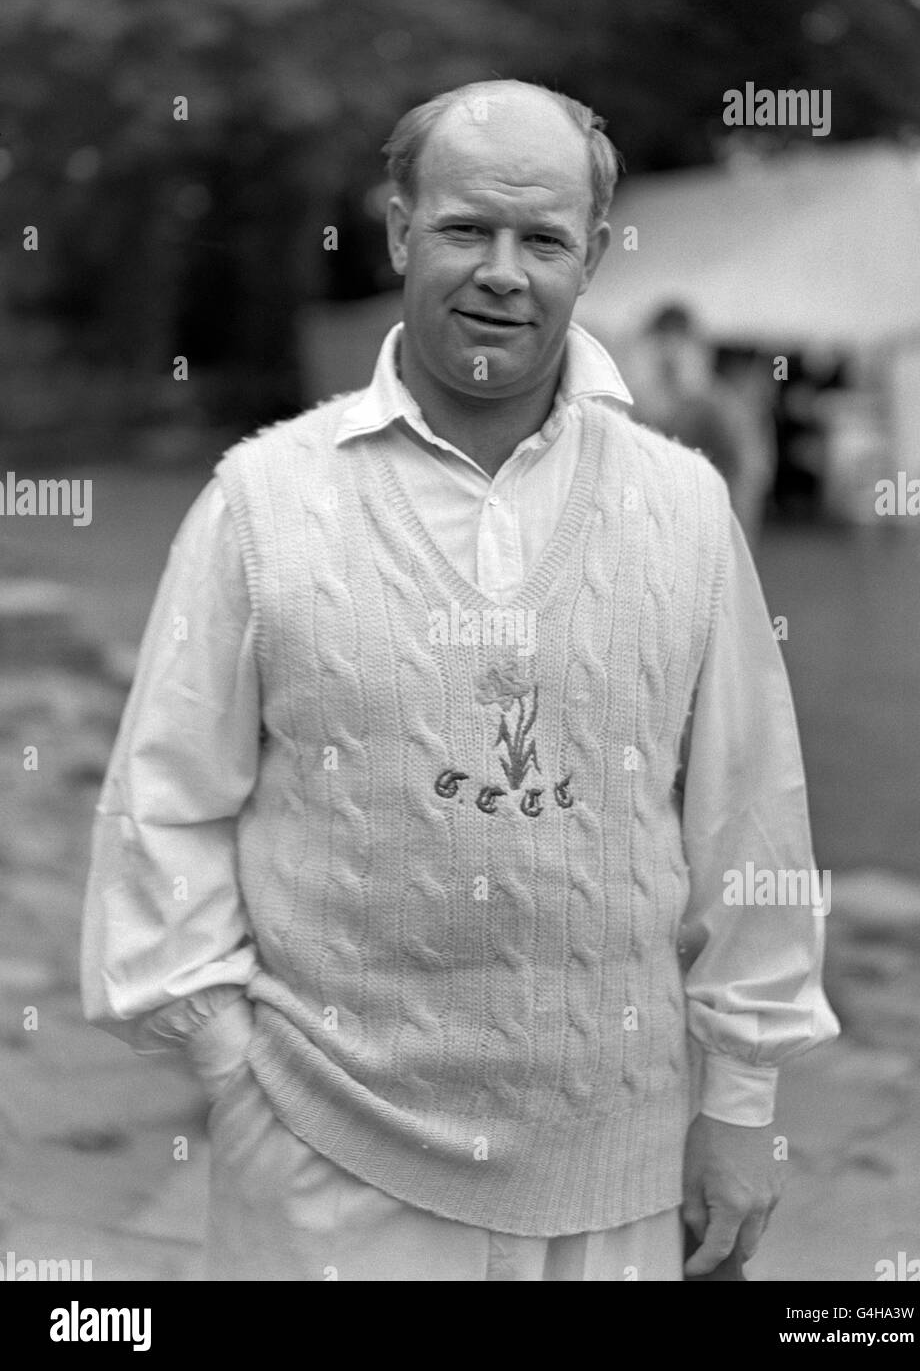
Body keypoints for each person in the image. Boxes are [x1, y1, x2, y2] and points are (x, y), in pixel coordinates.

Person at [81, 79, 838, 1282]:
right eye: (463, 229)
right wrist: (231, 1067)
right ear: (396, 231)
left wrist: (739, 1099)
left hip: (620, 1172)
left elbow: (750, 814)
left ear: (591, 255)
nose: (501, 270)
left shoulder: (683, 507)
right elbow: (165, 807)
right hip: (325, 1170)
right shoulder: (261, 502)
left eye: (541, 238)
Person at [631, 303, 776, 548]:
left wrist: (736, 534)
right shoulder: (641, 401)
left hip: (706, 529)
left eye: (676, 340)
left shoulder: (717, 405)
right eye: (662, 340)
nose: (669, 351)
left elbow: (748, 471)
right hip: (658, 529)